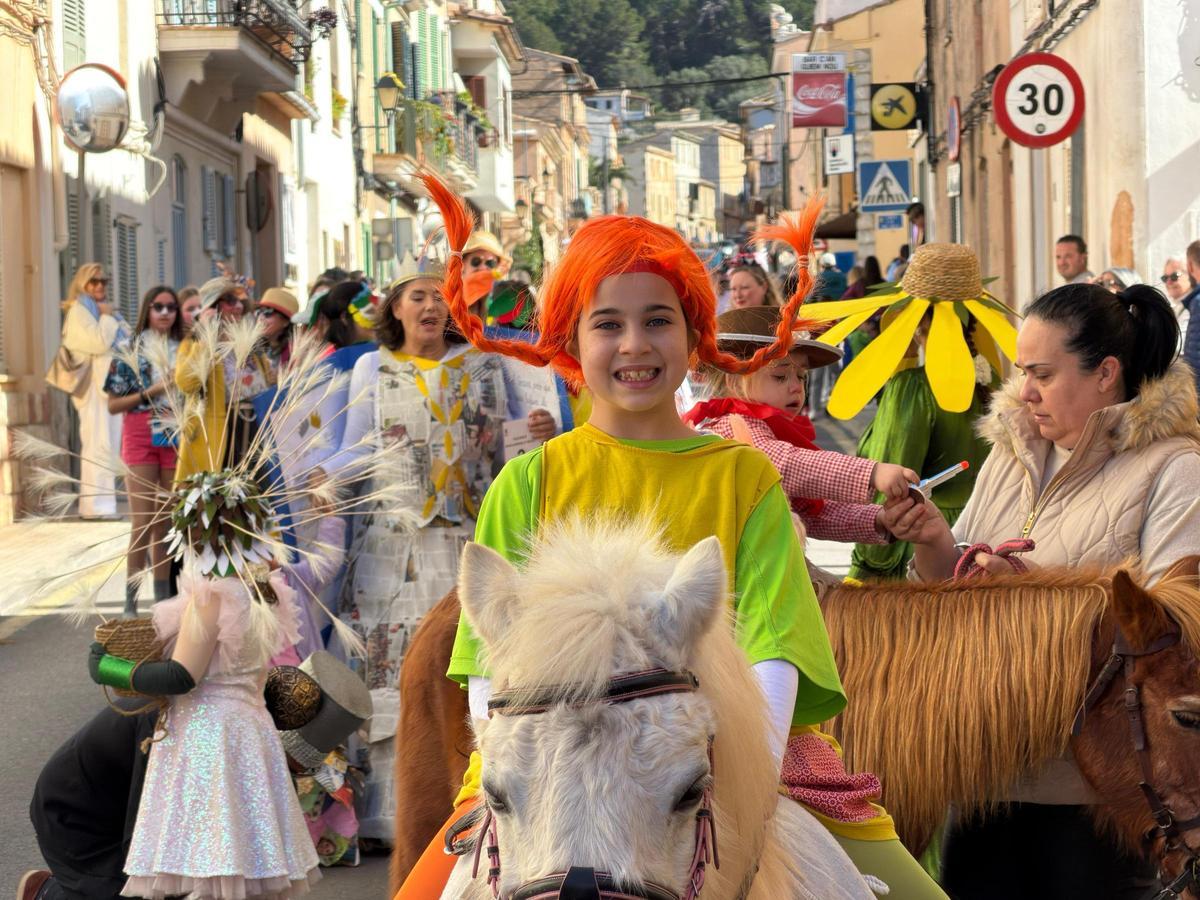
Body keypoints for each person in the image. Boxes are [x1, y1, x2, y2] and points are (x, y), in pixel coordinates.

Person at [401, 175, 949, 899]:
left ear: (695, 337)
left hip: (749, 757)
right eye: (608, 324)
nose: (635, 344)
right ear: (568, 339)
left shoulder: (744, 477)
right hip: (546, 766)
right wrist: (518, 764)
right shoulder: (526, 483)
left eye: (658, 320)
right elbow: (486, 661)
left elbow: (776, 650)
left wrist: (738, 776)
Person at [883, 282, 1200, 898]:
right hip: (983, 775)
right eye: (1023, 372)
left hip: (1099, 795)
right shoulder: (1011, 452)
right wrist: (933, 540)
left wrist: (1024, 595)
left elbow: (1171, 631)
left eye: (1043, 374)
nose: (1025, 391)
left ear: (1106, 373)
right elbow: (956, 588)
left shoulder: (1174, 466)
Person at [314, 262, 513, 843]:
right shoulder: (372, 370)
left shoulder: (484, 366)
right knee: (390, 669)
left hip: (465, 547)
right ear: (395, 309)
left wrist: (540, 427)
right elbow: (355, 450)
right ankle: (387, 814)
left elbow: (508, 453)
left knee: (464, 673)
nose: (432, 307)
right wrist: (320, 476)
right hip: (390, 552)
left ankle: (465, 799)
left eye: (442, 297)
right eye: (418, 296)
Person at [683, 305, 918, 547]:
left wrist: (879, 518)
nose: (797, 387)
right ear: (734, 382)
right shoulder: (731, 426)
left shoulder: (765, 429)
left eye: (802, 377)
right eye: (780, 376)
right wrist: (871, 473)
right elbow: (786, 463)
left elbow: (812, 514)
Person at [848, 307, 990, 581]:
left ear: (921, 325)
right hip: (979, 537)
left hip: (920, 546)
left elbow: (894, 483)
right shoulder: (988, 376)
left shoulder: (913, 386)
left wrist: (869, 566)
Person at [103, 285, 184, 615]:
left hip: (175, 433)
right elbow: (112, 405)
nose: (165, 313)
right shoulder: (129, 350)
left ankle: (162, 602)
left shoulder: (188, 349)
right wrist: (152, 391)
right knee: (142, 521)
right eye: (158, 307)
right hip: (139, 432)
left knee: (164, 522)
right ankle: (130, 602)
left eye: (171, 307)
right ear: (147, 311)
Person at [174, 277, 275, 482]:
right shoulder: (194, 343)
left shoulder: (250, 342)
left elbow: (266, 385)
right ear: (212, 307)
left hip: (255, 432)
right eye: (230, 300)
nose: (238, 306)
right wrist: (206, 338)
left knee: (256, 502)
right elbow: (185, 383)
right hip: (219, 436)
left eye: (240, 301)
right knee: (220, 503)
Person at [60, 263, 128, 518]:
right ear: (82, 284)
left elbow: (127, 340)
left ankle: (100, 505)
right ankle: (97, 507)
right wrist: (108, 317)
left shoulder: (99, 310)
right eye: (93, 281)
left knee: (107, 444)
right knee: (99, 444)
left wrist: (110, 317)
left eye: (103, 281)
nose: (99, 286)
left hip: (109, 387)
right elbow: (99, 343)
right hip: (94, 390)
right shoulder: (80, 312)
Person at [257, 286, 299, 369]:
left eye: (267, 312)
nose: (260, 317)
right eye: (259, 311)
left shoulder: (296, 353)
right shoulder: (251, 349)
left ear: (286, 321)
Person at [1160, 256, 1192, 340]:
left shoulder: (1194, 304)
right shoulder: (1176, 305)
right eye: (1165, 278)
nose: (1169, 282)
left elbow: (1179, 342)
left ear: (1189, 274)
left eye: (1174, 276)